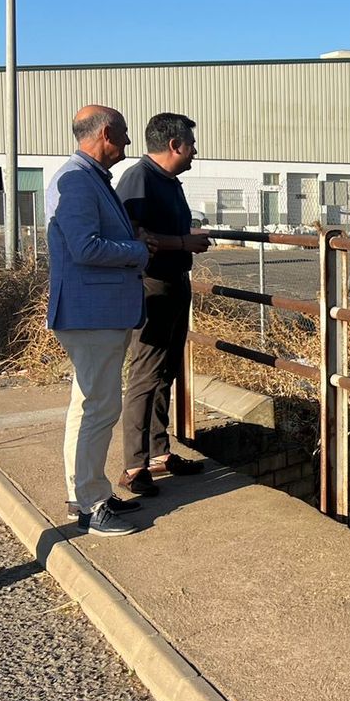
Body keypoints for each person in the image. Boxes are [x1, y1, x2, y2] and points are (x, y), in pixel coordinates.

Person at [47, 106, 156, 536]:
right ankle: (91, 506)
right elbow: (85, 248)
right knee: (99, 407)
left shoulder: (87, 176)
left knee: (89, 404)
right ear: (107, 133)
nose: (128, 142)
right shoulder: (78, 180)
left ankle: (86, 493)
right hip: (92, 314)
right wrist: (138, 251)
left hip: (94, 311)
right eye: (124, 133)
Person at [115, 112, 211, 496]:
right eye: (190, 144)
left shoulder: (168, 181)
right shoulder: (138, 178)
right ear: (174, 145)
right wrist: (183, 242)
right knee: (146, 373)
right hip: (152, 285)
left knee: (166, 370)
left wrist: (183, 240)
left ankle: (158, 452)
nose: (194, 151)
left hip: (174, 282)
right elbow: (132, 234)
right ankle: (134, 465)